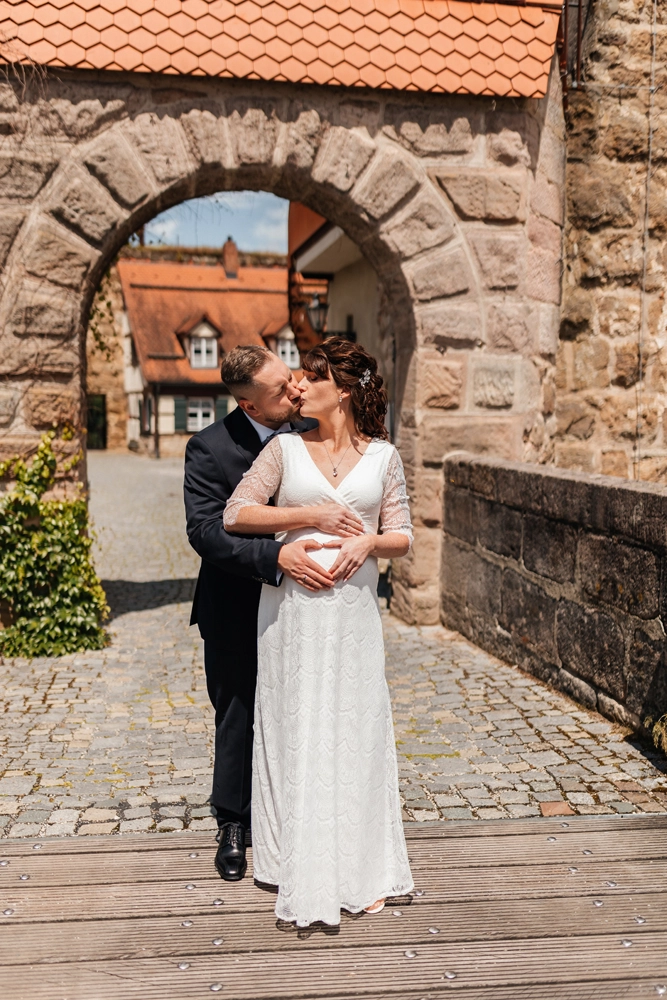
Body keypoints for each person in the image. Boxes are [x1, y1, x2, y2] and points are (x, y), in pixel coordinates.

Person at [223, 337, 414, 926]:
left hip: (354, 612)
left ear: (346, 390)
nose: (299, 385)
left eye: (312, 376)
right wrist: (310, 516)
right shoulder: (283, 450)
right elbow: (236, 513)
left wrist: (367, 541)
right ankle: (286, 858)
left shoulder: (385, 457)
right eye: (298, 375)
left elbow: (403, 535)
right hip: (293, 616)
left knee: (355, 724)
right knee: (294, 721)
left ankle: (362, 863)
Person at [184, 345, 356, 882]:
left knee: (302, 708)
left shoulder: (312, 427)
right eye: (282, 390)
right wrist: (274, 557)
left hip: (306, 604)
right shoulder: (208, 449)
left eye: (292, 378)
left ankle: (299, 814)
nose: (295, 390)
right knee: (237, 712)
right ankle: (233, 823)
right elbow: (205, 533)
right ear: (251, 408)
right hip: (237, 601)